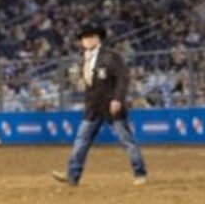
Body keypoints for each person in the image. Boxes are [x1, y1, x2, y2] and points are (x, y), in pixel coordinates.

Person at [52, 24, 149, 187]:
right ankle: (72, 175)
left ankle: (140, 173)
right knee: (81, 140)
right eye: (84, 38)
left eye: (90, 37)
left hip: (110, 104)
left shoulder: (111, 56)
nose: (87, 40)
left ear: (98, 38)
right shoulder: (84, 59)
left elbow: (122, 78)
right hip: (93, 107)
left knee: (126, 140)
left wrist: (117, 99)